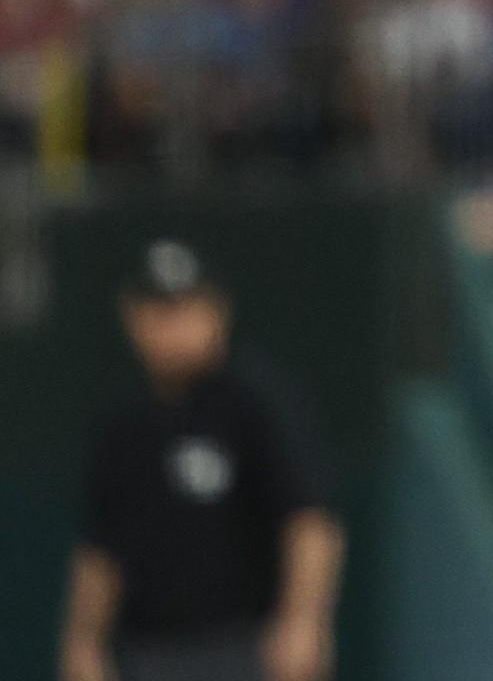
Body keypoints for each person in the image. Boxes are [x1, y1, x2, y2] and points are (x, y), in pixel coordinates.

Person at [64, 240, 342, 681]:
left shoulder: (254, 403)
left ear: (217, 311)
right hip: (149, 652)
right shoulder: (123, 425)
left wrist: (305, 621)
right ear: (132, 318)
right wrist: (82, 643)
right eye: (158, 311)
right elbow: (100, 548)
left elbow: (309, 519)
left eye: (184, 309)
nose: (172, 327)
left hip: (245, 648)